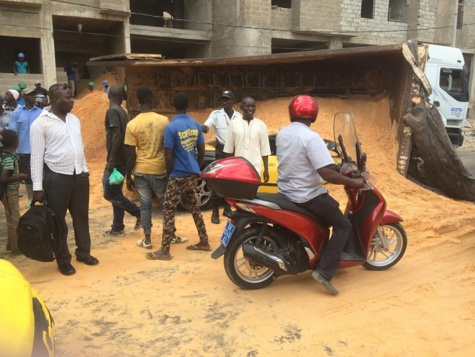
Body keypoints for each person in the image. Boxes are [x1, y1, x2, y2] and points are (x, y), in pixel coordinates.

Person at [276, 95, 367, 295]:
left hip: (286, 191)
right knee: (344, 225)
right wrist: (353, 181)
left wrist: (337, 167)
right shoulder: (311, 137)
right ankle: (324, 271)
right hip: (307, 195)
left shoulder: (283, 133)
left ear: (292, 112)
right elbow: (326, 173)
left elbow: (308, 160)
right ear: (314, 114)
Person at [30, 83, 99, 276]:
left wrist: (84, 169)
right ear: (54, 99)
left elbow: (79, 146)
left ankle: (84, 252)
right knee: (58, 222)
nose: (72, 101)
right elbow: (36, 157)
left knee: (81, 217)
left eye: (72, 96)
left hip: (79, 176)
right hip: (57, 177)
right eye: (67, 98)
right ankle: (63, 259)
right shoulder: (40, 124)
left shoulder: (74, 120)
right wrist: (37, 187)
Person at [146, 92, 211, 261]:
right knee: (194, 207)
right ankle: (204, 241)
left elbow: (168, 156)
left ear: (173, 106)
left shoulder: (171, 128)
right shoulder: (195, 124)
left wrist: (170, 176)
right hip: (192, 174)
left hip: (178, 174)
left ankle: (165, 250)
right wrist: (196, 165)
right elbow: (202, 149)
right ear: (187, 106)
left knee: (168, 209)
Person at [124, 87, 185, 249]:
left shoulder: (132, 124)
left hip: (141, 170)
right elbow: (168, 149)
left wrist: (127, 176)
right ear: (152, 100)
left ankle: (148, 239)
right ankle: (171, 235)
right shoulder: (164, 121)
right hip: (160, 170)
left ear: (138, 101)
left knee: (145, 206)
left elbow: (131, 155)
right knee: (167, 205)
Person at [102, 86, 142, 237]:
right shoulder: (122, 111)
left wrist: (111, 160)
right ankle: (118, 228)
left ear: (110, 95)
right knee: (116, 193)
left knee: (109, 193)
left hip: (117, 161)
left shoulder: (112, 111)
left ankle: (138, 213)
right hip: (123, 158)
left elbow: (117, 136)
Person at [202, 90, 242, 224]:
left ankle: (227, 208)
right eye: (223, 99)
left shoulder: (239, 116)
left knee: (230, 181)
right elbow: (207, 126)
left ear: (233, 101)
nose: (224, 101)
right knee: (217, 181)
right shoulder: (216, 114)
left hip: (234, 151)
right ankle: (215, 211)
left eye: (227, 99)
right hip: (221, 150)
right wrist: (203, 128)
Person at [224, 96, 271, 182]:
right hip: (238, 169)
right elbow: (228, 150)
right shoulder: (233, 124)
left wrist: (266, 170)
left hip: (255, 169)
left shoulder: (261, 125)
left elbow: (265, 150)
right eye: (247, 106)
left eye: (253, 106)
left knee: (253, 194)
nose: (250, 109)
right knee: (238, 194)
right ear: (241, 108)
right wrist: (229, 170)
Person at [8, 87, 43, 206]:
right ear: (24, 97)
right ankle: (30, 198)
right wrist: (13, 149)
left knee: (40, 173)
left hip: (39, 149)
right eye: (30, 94)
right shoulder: (16, 113)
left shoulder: (41, 112)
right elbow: (13, 132)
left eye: (34, 94)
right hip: (23, 150)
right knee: (27, 175)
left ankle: (41, 195)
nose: (33, 96)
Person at [1, 130, 28, 253]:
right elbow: (4, 178)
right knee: (14, 219)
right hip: (9, 192)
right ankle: (16, 247)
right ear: (15, 142)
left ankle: (10, 244)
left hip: (8, 192)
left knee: (10, 217)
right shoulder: (10, 158)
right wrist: (20, 177)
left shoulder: (4, 155)